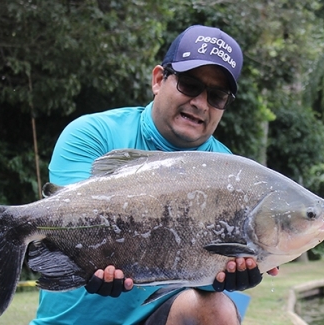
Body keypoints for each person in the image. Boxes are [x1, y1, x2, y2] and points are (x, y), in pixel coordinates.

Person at [31, 25, 278, 325]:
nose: (200, 103)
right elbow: (67, 222)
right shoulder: (92, 133)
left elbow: (200, 273)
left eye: (217, 96)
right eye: (189, 84)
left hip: (157, 316)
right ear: (159, 79)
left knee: (220, 310)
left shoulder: (229, 172)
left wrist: (223, 277)